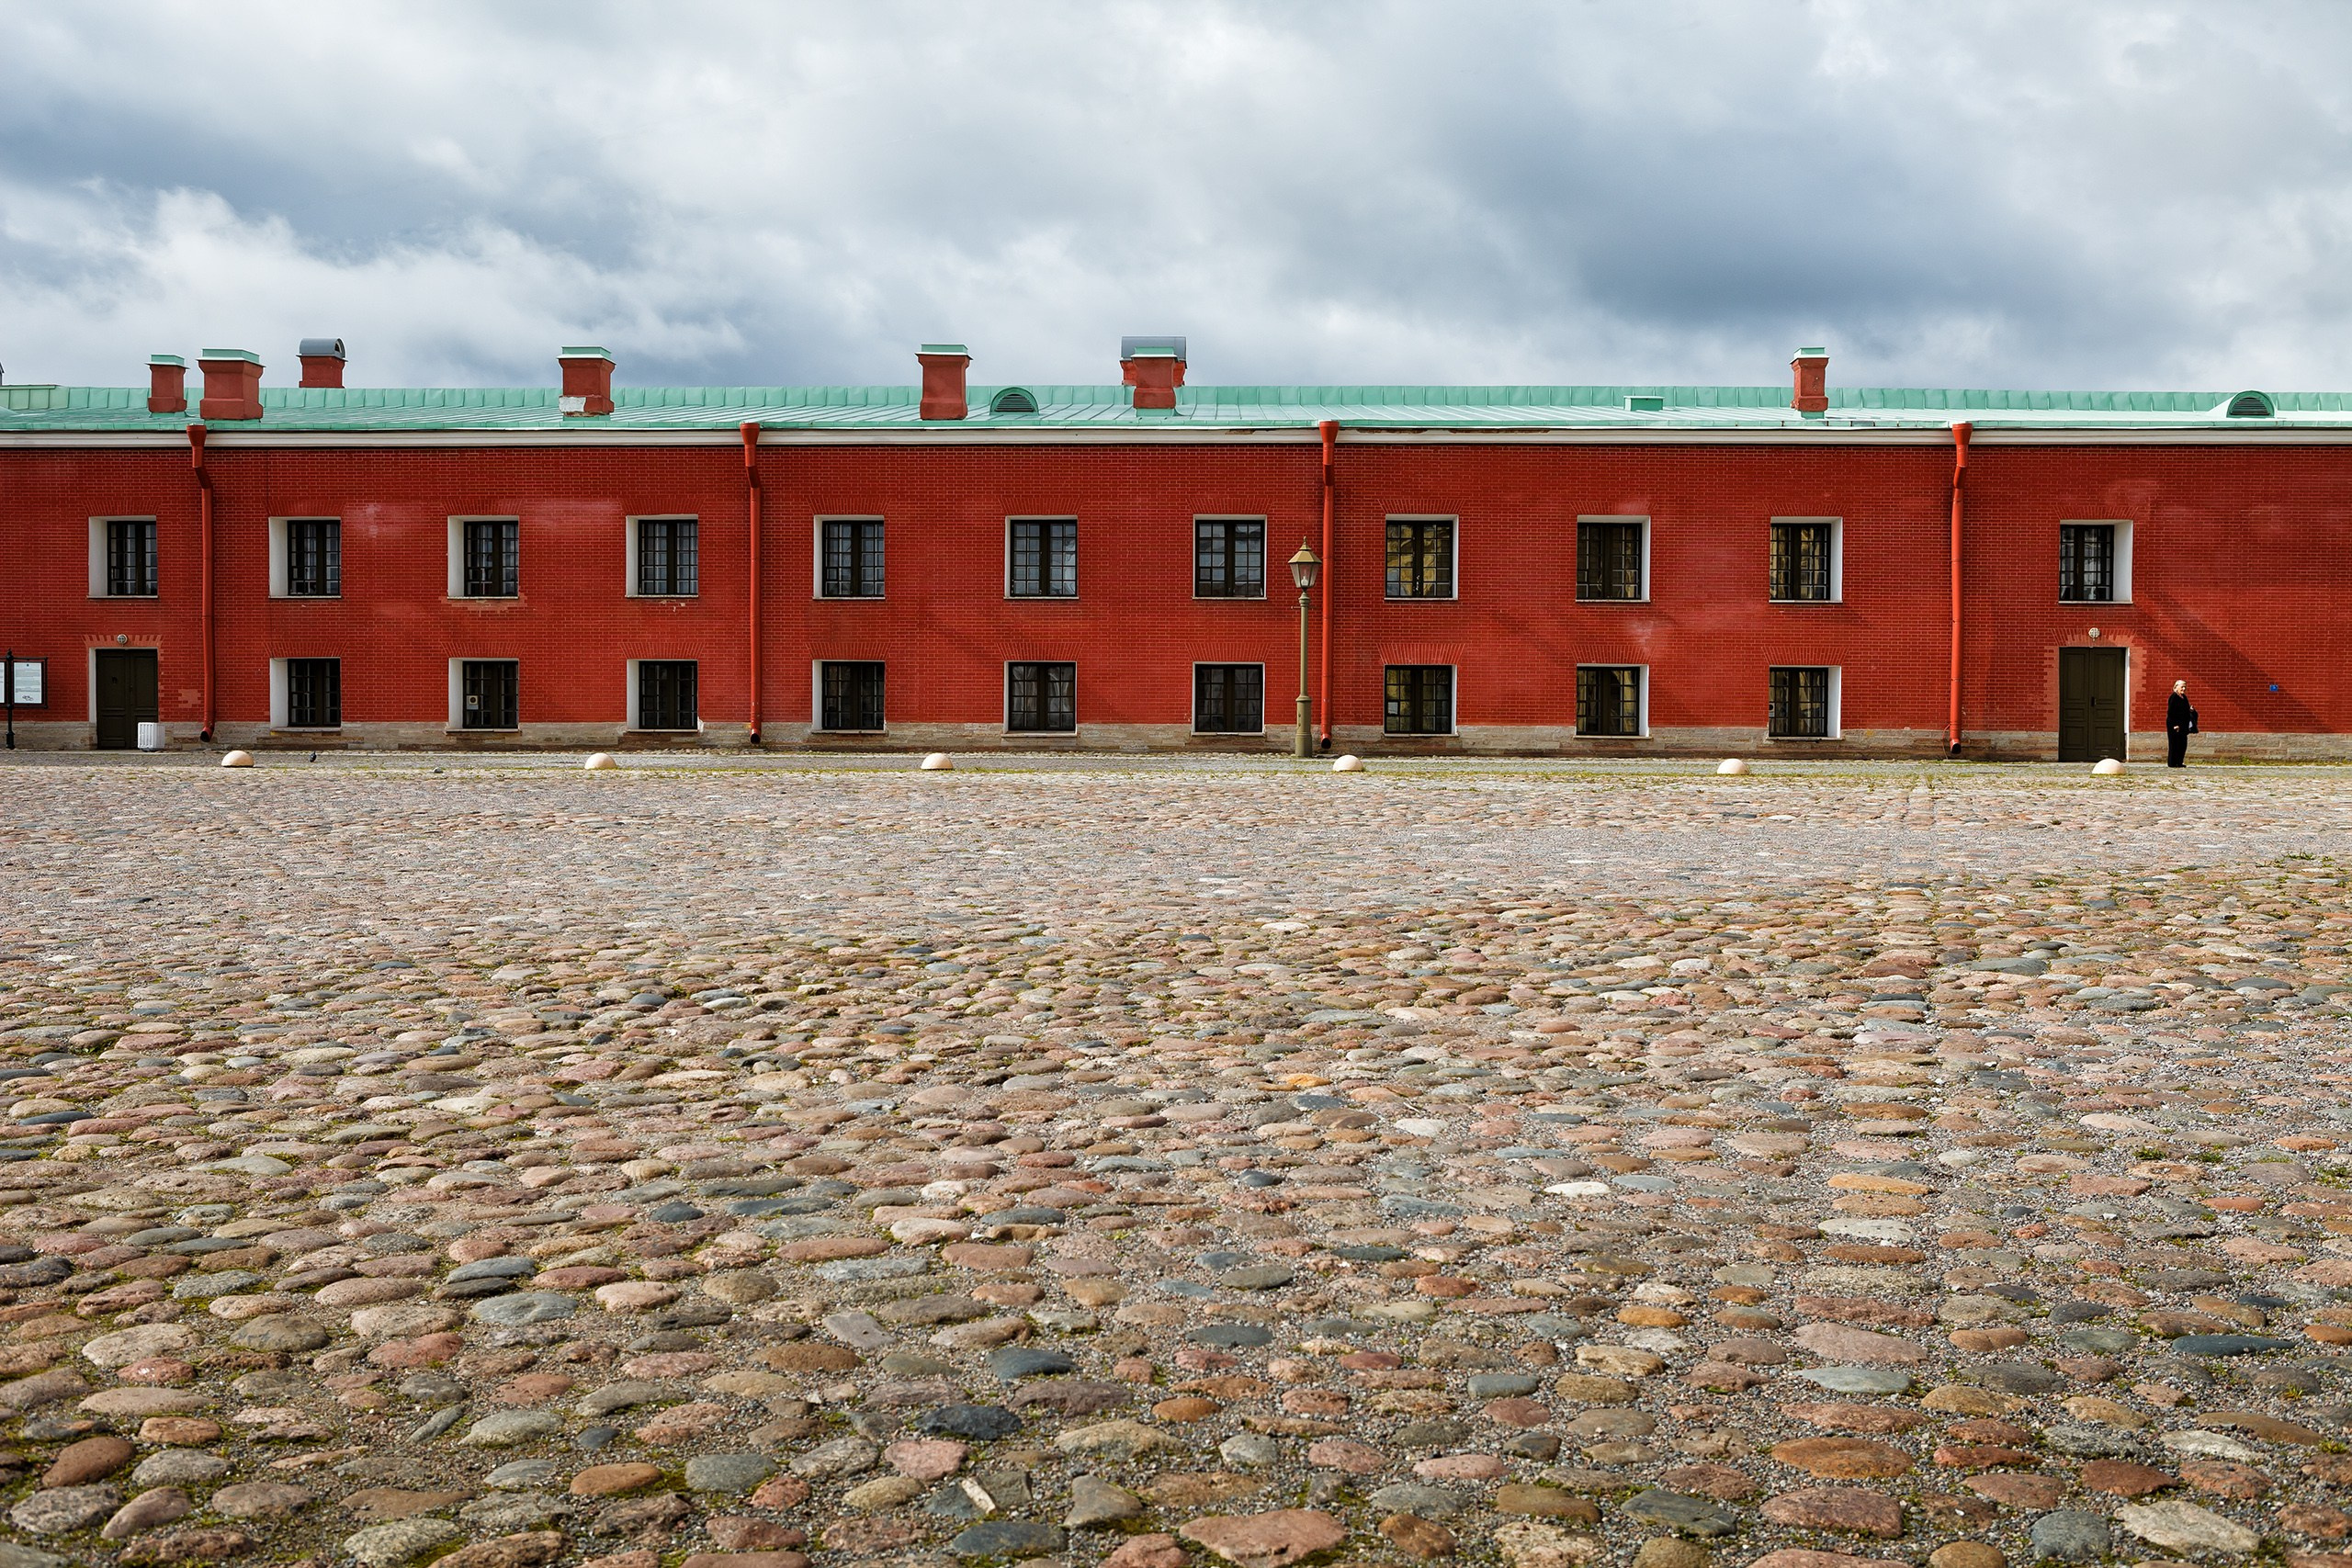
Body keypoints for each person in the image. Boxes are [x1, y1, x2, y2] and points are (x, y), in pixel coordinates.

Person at [2166, 679, 2197, 768]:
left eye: (2185, 687)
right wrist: (2175, 725)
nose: (2183, 689)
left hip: (2183, 725)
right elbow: (2171, 712)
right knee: (2174, 744)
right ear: (2176, 687)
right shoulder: (2174, 697)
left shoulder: (2184, 697)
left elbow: (2184, 710)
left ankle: (2179, 762)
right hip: (2175, 725)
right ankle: (2172, 763)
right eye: (2182, 687)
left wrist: (2190, 710)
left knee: (2182, 744)